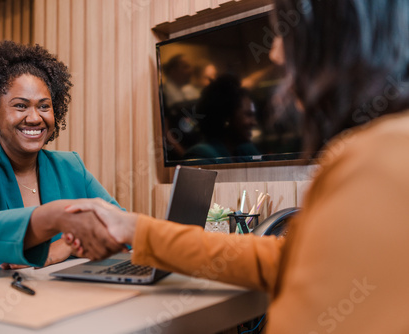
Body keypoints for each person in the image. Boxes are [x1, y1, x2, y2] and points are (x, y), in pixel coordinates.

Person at [64, 1, 409, 333]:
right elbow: (283, 260)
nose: (275, 52)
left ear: (342, 33)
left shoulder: (379, 159)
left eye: (286, 32)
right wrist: (137, 229)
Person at [0, 41, 123, 273]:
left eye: (44, 106)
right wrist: (57, 217)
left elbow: (120, 227)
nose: (34, 118)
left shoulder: (71, 166)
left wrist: (62, 247)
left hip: (57, 299)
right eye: (21, 106)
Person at [184, 74, 259, 163]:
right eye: (248, 115)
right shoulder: (200, 156)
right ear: (227, 117)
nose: (254, 123)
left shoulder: (246, 150)